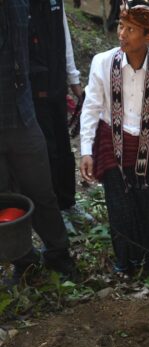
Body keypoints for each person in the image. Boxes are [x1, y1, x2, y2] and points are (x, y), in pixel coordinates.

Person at [79, 0, 149, 277]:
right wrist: (86, 150)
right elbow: (90, 107)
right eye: (121, 26)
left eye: (131, 29)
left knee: (148, 205)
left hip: (148, 146)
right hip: (110, 143)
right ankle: (125, 263)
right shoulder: (102, 63)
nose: (122, 34)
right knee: (119, 207)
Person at [0, 0, 76, 285]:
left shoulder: (22, 5)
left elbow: (49, 40)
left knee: (42, 190)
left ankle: (58, 253)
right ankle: (24, 261)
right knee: (4, 197)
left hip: (24, 116)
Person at [28, 0, 85, 230]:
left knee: (64, 147)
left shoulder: (56, 3)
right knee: (47, 151)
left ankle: (69, 203)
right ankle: (55, 213)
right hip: (32, 89)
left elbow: (65, 38)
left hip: (57, 84)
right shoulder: (21, 5)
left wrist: (74, 80)